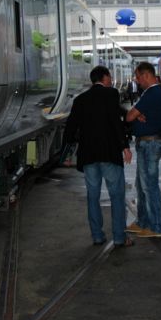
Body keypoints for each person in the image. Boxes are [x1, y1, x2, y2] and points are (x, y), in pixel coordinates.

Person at [63, 65, 134, 247]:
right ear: (104, 78)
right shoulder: (111, 94)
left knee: (92, 196)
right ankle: (119, 237)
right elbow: (114, 121)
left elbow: (71, 126)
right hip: (109, 153)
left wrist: (67, 151)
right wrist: (125, 146)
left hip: (88, 156)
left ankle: (97, 236)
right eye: (109, 76)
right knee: (117, 196)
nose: (111, 79)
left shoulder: (80, 100)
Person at [124, 61, 161, 238]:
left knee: (149, 186)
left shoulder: (151, 93)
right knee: (141, 185)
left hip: (150, 144)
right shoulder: (154, 93)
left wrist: (136, 115)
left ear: (146, 75)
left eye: (138, 76)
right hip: (147, 143)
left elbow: (128, 117)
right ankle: (143, 222)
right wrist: (138, 115)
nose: (136, 80)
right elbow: (134, 116)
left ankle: (156, 227)